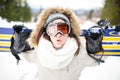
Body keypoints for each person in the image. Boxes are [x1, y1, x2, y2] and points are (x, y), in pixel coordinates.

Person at [22, 7, 106, 80]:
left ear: (69, 32)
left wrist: (96, 45)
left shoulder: (79, 53)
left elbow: (97, 59)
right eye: (52, 29)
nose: (58, 34)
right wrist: (21, 43)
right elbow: (27, 55)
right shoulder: (39, 50)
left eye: (63, 29)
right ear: (47, 32)